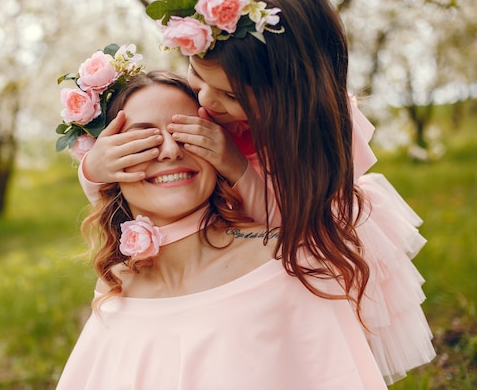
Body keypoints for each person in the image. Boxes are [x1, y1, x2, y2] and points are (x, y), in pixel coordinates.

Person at [75, 0, 435, 385]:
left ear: (280, 98)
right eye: (197, 78)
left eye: (228, 96)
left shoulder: (306, 138)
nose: (207, 103)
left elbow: (288, 220)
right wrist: (95, 168)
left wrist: (236, 165)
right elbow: (133, 186)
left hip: (302, 223)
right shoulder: (213, 96)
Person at [55, 64, 388, 389]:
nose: (170, 151)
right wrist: (91, 171)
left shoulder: (286, 264)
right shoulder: (115, 290)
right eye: (142, 142)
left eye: (188, 134)